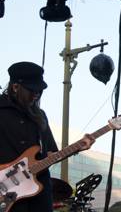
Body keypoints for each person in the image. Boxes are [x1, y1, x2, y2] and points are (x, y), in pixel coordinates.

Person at [0, 61, 95, 212]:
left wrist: (78, 147)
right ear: (16, 87)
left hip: (39, 191)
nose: (37, 94)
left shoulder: (40, 116)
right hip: (7, 191)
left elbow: (50, 154)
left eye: (39, 90)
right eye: (32, 89)